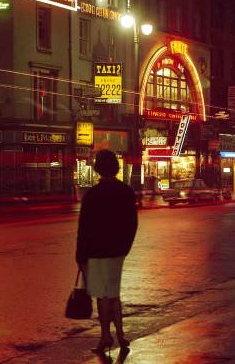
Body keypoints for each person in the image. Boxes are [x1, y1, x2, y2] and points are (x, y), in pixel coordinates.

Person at [76, 149, 138, 355]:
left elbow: (83, 229)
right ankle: (120, 334)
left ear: (97, 169)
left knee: (102, 296)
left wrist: (80, 256)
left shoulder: (92, 195)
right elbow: (132, 224)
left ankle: (105, 336)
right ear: (116, 168)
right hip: (117, 251)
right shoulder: (126, 192)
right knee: (114, 294)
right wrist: (124, 247)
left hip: (96, 251)